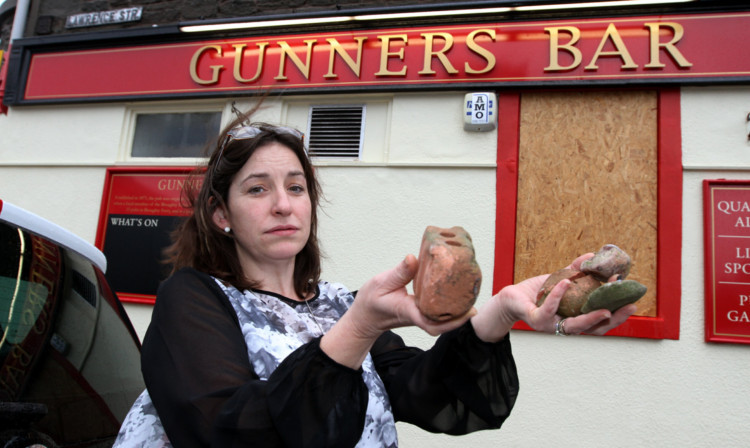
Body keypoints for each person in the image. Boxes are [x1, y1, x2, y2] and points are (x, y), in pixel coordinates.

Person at [114, 106, 635, 448]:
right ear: (221, 214)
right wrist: (359, 328)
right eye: (256, 189)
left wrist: (500, 311)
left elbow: (430, 397)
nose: (282, 205)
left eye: (296, 188)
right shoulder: (193, 297)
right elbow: (226, 433)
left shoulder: (337, 304)